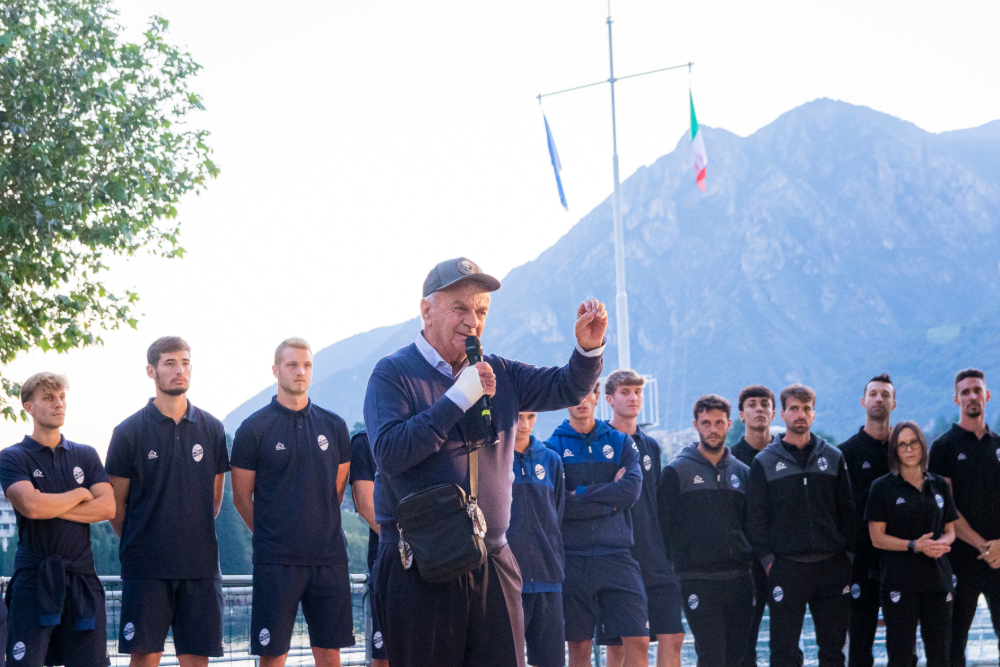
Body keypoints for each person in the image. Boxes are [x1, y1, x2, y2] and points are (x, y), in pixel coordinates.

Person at [362, 257, 607, 667]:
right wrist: (459, 397)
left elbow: (567, 385)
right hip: (420, 563)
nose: (472, 321)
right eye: (460, 307)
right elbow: (390, 453)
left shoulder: (501, 372)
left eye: (481, 311)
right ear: (426, 310)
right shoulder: (392, 374)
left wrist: (587, 348)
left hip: (492, 558)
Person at [106, 337, 230, 667]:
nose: (180, 370)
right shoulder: (128, 432)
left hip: (200, 568)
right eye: (170, 363)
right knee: (145, 660)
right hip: (146, 569)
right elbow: (116, 508)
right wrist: (146, 540)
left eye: (185, 362)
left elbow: (213, 501)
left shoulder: (213, 429)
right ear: (152, 371)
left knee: (197, 661)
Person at [231, 338, 354, 667]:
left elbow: (337, 489)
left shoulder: (334, 426)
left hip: (329, 559)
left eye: (307, 365)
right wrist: (271, 533)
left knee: (330, 655)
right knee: (273, 657)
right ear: (275, 370)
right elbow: (241, 497)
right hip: (276, 563)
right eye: (292, 365)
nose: (301, 371)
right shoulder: (253, 429)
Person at [0, 373, 115, 667]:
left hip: (82, 581)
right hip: (33, 580)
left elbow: (107, 508)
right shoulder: (13, 457)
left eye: (61, 397)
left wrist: (48, 504)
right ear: (28, 406)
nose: (58, 404)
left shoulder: (86, 455)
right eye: (49, 398)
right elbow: (31, 505)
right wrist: (79, 492)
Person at [747, 384, 855, 667]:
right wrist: (770, 562)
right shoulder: (765, 461)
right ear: (781, 414)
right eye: (794, 408)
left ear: (814, 415)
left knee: (833, 651)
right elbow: (756, 518)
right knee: (784, 653)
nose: (800, 415)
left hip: (831, 566)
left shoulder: (833, 457)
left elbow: (847, 511)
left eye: (806, 409)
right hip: (786, 568)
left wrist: (847, 557)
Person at [549, 383, 646, 667]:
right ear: (565, 401)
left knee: (638, 641)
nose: (581, 400)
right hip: (573, 560)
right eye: (574, 395)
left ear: (596, 397)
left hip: (617, 556)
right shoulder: (552, 448)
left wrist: (579, 494)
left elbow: (630, 492)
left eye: (586, 393)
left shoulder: (620, 442)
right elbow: (559, 505)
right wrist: (608, 498)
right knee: (579, 648)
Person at [658, 394, 754, 667]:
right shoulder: (676, 473)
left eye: (719, 422)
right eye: (706, 423)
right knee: (712, 655)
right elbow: (664, 529)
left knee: (736, 656)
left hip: (740, 579)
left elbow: (752, 525)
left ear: (729, 424)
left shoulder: (743, 472)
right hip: (697, 578)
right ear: (696, 425)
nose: (713, 429)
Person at [601, 370, 684, 667]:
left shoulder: (651, 447)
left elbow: (655, 501)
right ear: (609, 399)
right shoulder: (599, 443)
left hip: (654, 554)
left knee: (673, 636)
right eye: (625, 391)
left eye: (637, 391)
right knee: (621, 645)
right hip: (616, 553)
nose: (633, 397)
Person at [866, 422, 957, 667]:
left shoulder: (939, 485)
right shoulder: (881, 487)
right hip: (899, 581)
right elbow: (877, 537)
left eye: (913, 442)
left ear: (922, 444)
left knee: (940, 654)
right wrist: (913, 545)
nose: (908, 449)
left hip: (938, 581)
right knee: (901, 655)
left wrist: (941, 544)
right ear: (894, 450)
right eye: (902, 444)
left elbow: (951, 531)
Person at [927, 368, 1000, 667]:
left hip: (999, 559)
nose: (972, 396)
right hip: (960, 561)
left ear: (988, 395)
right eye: (966, 392)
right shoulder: (943, 447)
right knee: (954, 643)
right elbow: (946, 508)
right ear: (956, 398)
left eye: (977, 390)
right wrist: (983, 545)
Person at [839, 373, 895, 667]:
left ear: (894, 403)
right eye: (873, 394)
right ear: (863, 401)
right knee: (860, 644)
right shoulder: (845, 453)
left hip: (901, 560)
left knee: (903, 644)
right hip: (859, 563)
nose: (879, 399)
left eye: (885, 395)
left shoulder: (905, 451)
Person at [508, 411, 566, 667]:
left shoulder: (551, 460)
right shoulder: (492, 459)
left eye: (530, 416)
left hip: (548, 579)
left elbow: (557, 514)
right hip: (506, 582)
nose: (524, 424)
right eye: (518, 416)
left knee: (551, 662)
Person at [729, 385, 775, 667]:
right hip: (745, 566)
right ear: (742, 415)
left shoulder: (788, 454)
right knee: (744, 646)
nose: (759, 408)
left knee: (788, 643)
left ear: (773, 411)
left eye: (764, 404)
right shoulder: (729, 459)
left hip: (785, 562)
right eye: (752, 404)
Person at [349, 430, 388, 667]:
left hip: (435, 563)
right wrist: (409, 545)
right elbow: (365, 505)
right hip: (386, 561)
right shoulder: (365, 441)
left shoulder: (435, 433)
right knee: (383, 655)